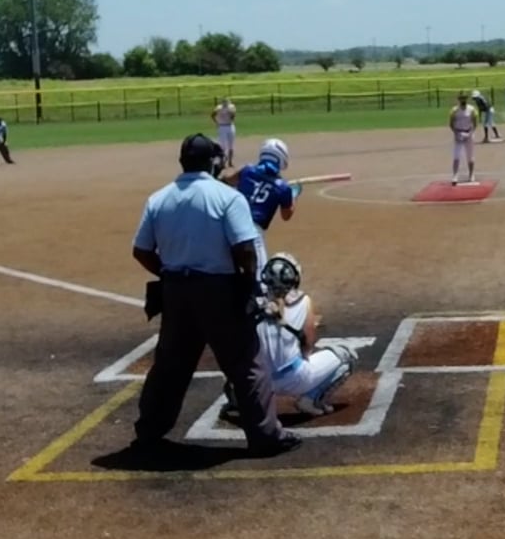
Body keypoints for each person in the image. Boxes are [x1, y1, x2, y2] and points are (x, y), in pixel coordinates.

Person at [128, 134, 297, 456]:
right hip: (219, 290)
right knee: (246, 363)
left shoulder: (158, 199)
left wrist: (168, 273)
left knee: (169, 366)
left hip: (176, 293)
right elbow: (245, 248)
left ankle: (149, 431)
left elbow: (141, 250)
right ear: (212, 163)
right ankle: (265, 436)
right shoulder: (227, 197)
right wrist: (248, 285)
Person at [250, 252, 357, 417]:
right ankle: (310, 399)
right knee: (347, 355)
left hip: (260, 381)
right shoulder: (304, 301)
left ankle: (238, 399)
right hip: (297, 378)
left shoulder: (252, 304)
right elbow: (307, 348)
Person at [231, 137, 298, 264]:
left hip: (231, 224)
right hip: (253, 233)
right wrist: (293, 195)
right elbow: (286, 215)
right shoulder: (283, 187)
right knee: (259, 272)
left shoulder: (246, 170)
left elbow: (225, 180)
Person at [449, 92, 479, 185]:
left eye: (465, 98)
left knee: (470, 156)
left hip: (468, 133)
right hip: (459, 133)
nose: (463, 100)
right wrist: (456, 133)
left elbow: (475, 123)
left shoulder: (472, 109)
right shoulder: (454, 110)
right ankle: (455, 176)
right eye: (461, 98)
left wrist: (470, 133)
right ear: (459, 99)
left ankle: (471, 174)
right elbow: (451, 123)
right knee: (456, 155)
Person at [212, 98, 238, 168]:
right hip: (222, 127)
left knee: (231, 146)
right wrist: (217, 122)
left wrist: (231, 113)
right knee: (223, 146)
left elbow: (233, 116)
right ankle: (222, 162)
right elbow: (213, 115)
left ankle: (230, 162)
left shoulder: (232, 107)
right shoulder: (218, 108)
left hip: (230, 126)